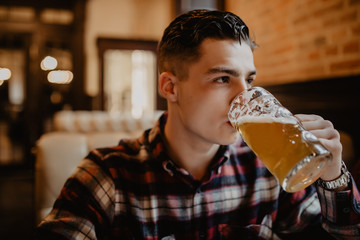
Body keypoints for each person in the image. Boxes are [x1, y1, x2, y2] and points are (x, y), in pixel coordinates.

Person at [35, 9, 360, 239]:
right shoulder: (108, 175)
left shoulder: (265, 167)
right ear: (170, 87)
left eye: (249, 79)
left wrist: (332, 176)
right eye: (222, 78)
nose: (242, 98)